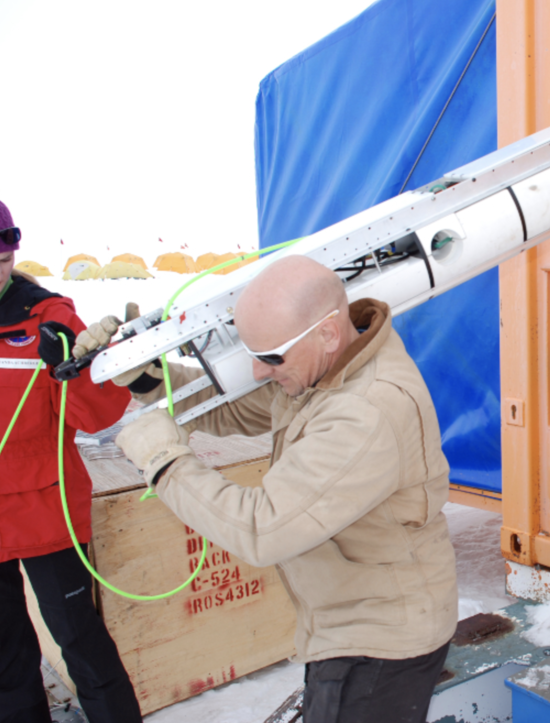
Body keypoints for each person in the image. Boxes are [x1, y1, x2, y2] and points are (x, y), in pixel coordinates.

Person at [102, 256, 457, 723]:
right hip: (348, 621)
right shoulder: (329, 367)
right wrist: (151, 379)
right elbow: (235, 410)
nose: (257, 370)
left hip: (379, 641)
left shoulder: (366, 411)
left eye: (271, 357)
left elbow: (261, 528)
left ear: (329, 332)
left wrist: (164, 462)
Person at [0, 198, 142, 723]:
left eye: (1, 261)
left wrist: (74, 367)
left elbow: (97, 415)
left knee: (81, 643)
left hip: (44, 508)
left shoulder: (47, 317)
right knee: (5, 656)